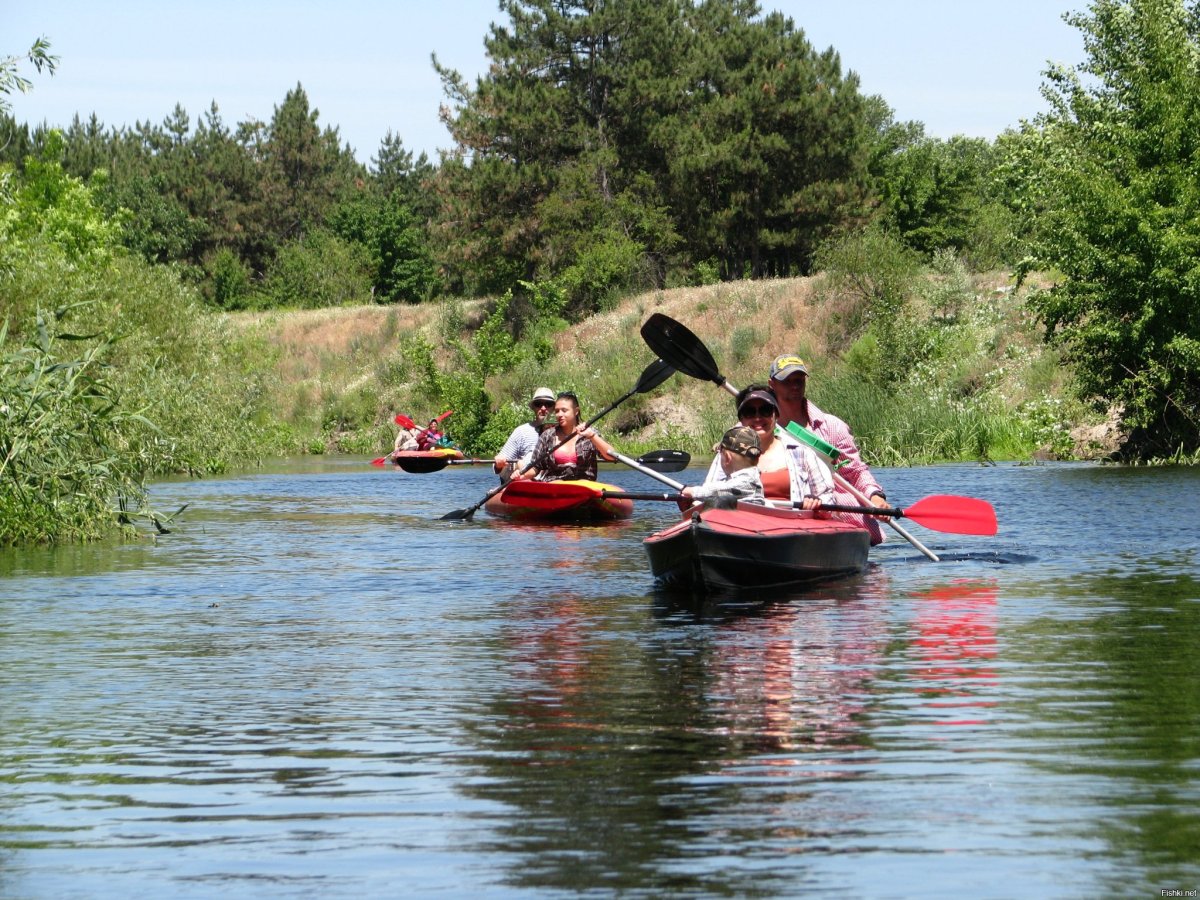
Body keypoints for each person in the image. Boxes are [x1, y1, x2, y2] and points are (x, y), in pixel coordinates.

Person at [769, 354, 888, 542]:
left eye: (799, 380)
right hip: (783, 510)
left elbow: (855, 471)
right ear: (772, 384)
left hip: (832, 511)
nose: (794, 386)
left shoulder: (832, 426)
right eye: (787, 381)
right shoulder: (758, 427)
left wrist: (875, 496)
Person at [699, 384, 833, 510]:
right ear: (741, 419)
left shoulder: (802, 453)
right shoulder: (726, 454)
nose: (757, 418)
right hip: (741, 527)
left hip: (791, 526)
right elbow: (706, 496)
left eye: (765, 410)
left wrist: (816, 503)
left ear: (776, 416)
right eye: (750, 412)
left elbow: (827, 498)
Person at [514, 391, 618, 482]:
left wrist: (592, 437)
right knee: (556, 483)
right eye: (557, 411)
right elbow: (535, 467)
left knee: (582, 482)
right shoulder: (547, 435)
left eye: (564, 410)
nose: (559, 414)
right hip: (555, 486)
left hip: (584, 486)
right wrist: (522, 474)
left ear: (576, 411)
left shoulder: (589, 433)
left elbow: (613, 456)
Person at [681, 425, 765, 504]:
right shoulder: (752, 477)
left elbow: (717, 491)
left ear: (728, 458)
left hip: (744, 517)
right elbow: (721, 485)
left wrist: (692, 491)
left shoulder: (747, 481)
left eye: (720, 452)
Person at [493, 386, 556, 480]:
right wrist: (499, 465)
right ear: (533, 407)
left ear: (554, 408)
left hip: (553, 481)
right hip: (526, 482)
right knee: (520, 463)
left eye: (548, 404)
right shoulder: (521, 431)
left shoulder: (562, 429)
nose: (543, 408)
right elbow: (499, 467)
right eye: (538, 404)